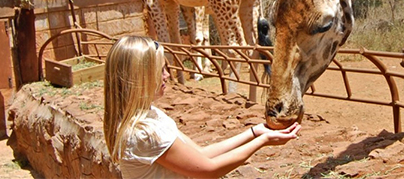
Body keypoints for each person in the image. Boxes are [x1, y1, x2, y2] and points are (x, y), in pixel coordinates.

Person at [104, 35, 300, 178]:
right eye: (160, 69)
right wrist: (263, 141)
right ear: (140, 77)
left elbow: (200, 154)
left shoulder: (150, 116)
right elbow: (207, 169)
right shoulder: (144, 132)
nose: (167, 76)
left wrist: (254, 132)